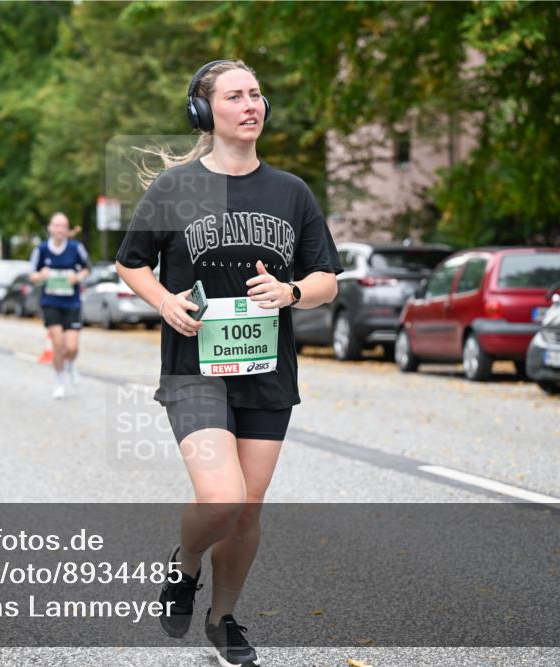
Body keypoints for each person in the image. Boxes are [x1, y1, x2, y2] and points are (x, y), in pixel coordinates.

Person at [115, 60, 343, 667]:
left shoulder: (291, 192)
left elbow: (326, 280)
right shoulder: (175, 188)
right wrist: (164, 300)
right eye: (236, 95)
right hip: (195, 369)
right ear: (204, 111)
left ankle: (223, 620)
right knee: (222, 498)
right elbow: (131, 263)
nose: (252, 105)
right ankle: (185, 564)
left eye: (257, 95)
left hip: (268, 370)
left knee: (247, 509)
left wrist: (291, 292)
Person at [29, 212, 90, 400]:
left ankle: (71, 364)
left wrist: (77, 277)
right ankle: (59, 383)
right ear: (50, 228)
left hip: (72, 303)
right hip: (51, 302)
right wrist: (42, 276)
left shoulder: (76, 248)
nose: (60, 229)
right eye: (56, 225)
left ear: (67, 229)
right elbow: (32, 275)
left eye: (63, 226)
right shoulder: (41, 250)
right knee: (58, 343)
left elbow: (88, 268)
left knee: (72, 347)